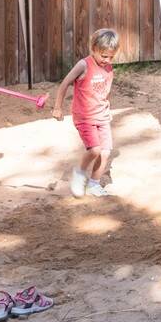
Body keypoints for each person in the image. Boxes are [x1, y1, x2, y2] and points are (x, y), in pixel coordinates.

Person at [52, 29, 119, 197]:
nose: (107, 60)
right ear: (93, 49)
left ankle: (94, 184)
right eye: (104, 56)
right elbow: (65, 83)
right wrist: (58, 107)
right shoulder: (84, 65)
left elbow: (105, 91)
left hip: (102, 116)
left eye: (111, 57)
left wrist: (107, 108)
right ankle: (79, 173)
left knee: (105, 152)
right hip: (85, 117)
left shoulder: (109, 68)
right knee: (94, 150)